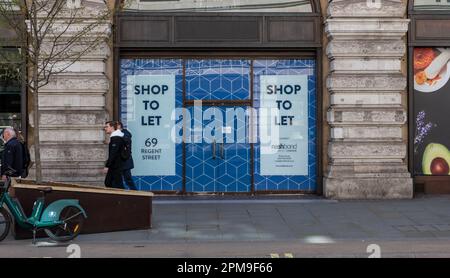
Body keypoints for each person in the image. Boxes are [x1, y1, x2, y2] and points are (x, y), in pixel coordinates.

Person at [103, 121, 125, 189]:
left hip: (116, 166)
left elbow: (113, 153)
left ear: (112, 127)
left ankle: (122, 198)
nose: (105, 128)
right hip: (115, 165)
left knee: (114, 183)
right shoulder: (115, 137)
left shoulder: (116, 138)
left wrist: (107, 166)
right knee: (109, 182)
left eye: (107, 127)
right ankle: (117, 198)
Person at [117, 121, 137, 190]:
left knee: (127, 178)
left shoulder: (125, 133)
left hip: (125, 161)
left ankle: (136, 193)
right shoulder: (118, 134)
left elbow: (126, 141)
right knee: (121, 179)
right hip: (121, 161)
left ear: (119, 126)